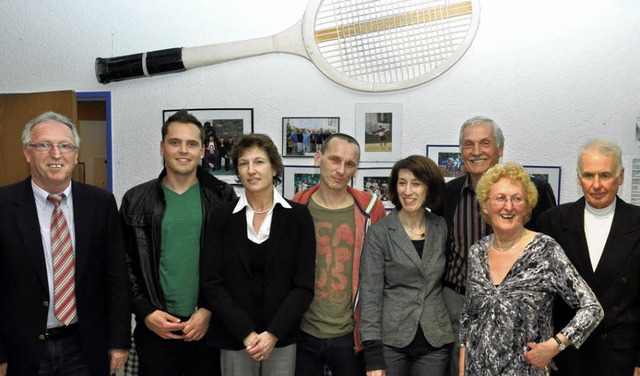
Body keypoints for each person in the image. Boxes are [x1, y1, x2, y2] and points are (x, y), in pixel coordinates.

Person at [0, 111, 130, 375]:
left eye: (65, 146)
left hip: (85, 348)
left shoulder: (101, 204)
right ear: (27, 152)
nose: (56, 154)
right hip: (21, 351)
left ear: (76, 153)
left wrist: (119, 342)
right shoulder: (3, 206)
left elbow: (116, 277)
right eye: (44, 145)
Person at [434, 116, 557, 375]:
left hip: (519, 309)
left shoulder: (536, 191)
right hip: (459, 301)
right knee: (462, 367)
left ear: (500, 148)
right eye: (468, 145)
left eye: (485, 143)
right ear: (461, 151)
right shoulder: (447, 194)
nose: (476, 151)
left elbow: (549, 265)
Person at [120, 109, 237, 376]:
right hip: (155, 327)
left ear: (202, 151)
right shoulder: (135, 199)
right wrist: (146, 312)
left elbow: (232, 262)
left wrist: (208, 309)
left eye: (192, 143)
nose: (183, 150)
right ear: (162, 147)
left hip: (208, 327)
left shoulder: (223, 197)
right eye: (175, 142)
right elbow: (124, 264)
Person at [458, 162, 603, 375]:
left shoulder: (545, 250)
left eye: (517, 199)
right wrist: (463, 366)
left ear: (527, 206)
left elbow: (592, 309)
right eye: (500, 198)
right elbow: (469, 316)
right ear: (485, 206)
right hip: (477, 369)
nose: (508, 206)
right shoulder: (477, 252)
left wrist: (555, 346)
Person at [202, 134, 316, 376]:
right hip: (234, 337)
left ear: (274, 168)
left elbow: (303, 285)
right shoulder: (221, 218)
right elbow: (212, 283)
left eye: (259, 162)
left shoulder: (298, 217)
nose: (251, 170)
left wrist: (272, 334)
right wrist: (245, 332)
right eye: (244, 163)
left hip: (281, 337)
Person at [537, 139, 640, 376]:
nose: (596, 185)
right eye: (588, 175)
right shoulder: (552, 221)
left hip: (621, 357)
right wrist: (548, 346)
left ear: (621, 176)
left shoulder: (637, 222)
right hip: (568, 355)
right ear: (578, 176)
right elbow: (542, 297)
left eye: (605, 175)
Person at [292, 133, 387, 376]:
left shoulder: (370, 209)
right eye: (335, 160)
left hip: (349, 336)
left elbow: (379, 276)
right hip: (302, 332)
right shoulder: (296, 206)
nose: (341, 170)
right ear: (318, 158)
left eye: (350, 164)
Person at [359, 155, 454, 376]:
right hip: (391, 341)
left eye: (416, 184)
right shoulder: (379, 233)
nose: (407, 191)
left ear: (429, 188)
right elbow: (370, 295)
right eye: (402, 183)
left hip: (435, 339)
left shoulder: (441, 228)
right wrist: (373, 355)